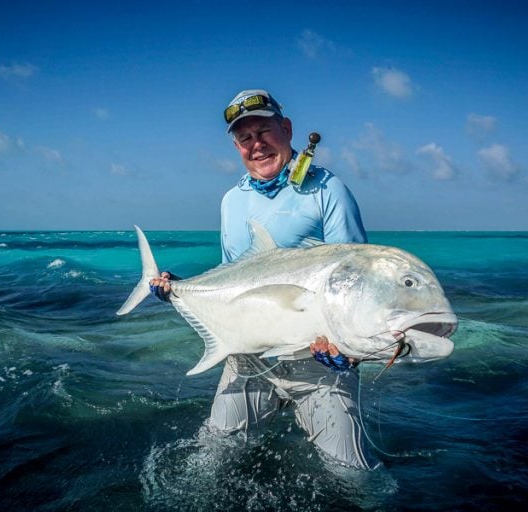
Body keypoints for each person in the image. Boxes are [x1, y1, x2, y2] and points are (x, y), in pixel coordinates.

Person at [150, 89, 375, 469]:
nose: (256, 145)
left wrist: (349, 353)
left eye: (264, 131)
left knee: (352, 475)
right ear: (237, 146)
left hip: (317, 363)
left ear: (286, 129)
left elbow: (354, 280)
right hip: (248, 359)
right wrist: (180, 288)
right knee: (210, 463)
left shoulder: (327, 190)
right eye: (245, 137)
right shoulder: (230, 201)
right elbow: (230, 280)